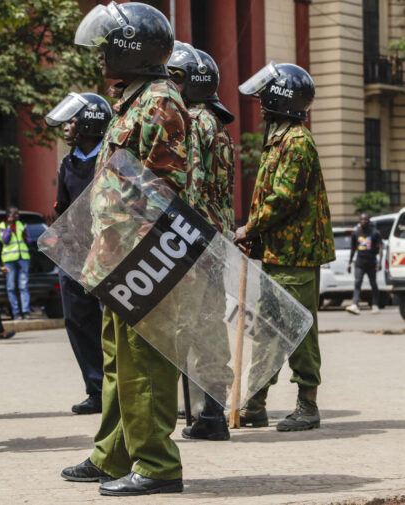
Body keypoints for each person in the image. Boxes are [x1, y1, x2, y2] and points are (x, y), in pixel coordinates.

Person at [60, 2, 189, 496]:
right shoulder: (132, 101)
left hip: (141, 258)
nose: (99, 56)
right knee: (118, 363)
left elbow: (163, 189)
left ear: (131, 50)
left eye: (107, 47)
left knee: (144, 366)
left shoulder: (159, 101)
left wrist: (132, 256)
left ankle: (157, 465)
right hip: (116, 258)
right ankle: (114, 454)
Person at [234, 62, 335, 432]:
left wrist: (249, 228)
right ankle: (255, 403)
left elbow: (283, 198)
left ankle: (308, 405)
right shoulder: (279, 138)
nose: (260, 103)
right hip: (277, 252)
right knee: (266, 328)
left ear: (280, 98)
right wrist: (256, 236)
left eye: (265, 96)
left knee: (297, 328)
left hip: (296, 254)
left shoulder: (296, 142)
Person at [167, 41, 235, 441]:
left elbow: (190, 190)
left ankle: (206, 413)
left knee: (187, 327)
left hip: (195, 243)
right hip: (216, 240)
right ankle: (213, 413)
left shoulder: (194, 122)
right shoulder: (217, 123)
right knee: (211, 327)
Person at [45, 91, 111, 415]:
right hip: (74, 255)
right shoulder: (67, 162)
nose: (67, 128)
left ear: (90, 123)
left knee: (109, 324)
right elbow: (61, 208)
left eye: (72, 121)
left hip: (107, 254)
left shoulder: (111, 159)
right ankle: (96, 389)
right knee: (77, 320)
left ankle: (116, 391)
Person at [0, 207, 31, 319]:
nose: (16, 215)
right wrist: (10, 227)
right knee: (11, 287)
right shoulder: (2, 226)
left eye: (17, 213)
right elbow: (5, 240)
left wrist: (26, 238)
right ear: (8, 215)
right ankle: (16, 313)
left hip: (23, 258)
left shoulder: (21, 224)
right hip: (9, 259)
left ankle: (25, 311)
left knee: (23, 285)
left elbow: (29, 241)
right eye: (14, 214)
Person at [346, 213, 383, 315]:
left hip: (371, 263)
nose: (363, 221)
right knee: (357, 283)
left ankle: (375, 305)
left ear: (369, 220)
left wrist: (379, 262)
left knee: (373, 284)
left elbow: (380, 248)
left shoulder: (375, 233)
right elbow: (353, 249)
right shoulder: (356, 233)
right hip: (360, 263)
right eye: (362, 219)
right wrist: (349, 263)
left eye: (365, 219)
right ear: (359, 221)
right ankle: (355, 305)